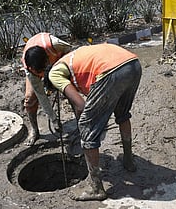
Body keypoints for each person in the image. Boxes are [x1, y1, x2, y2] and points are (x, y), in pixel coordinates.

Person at [24, 42, 142, 201]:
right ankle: (129, 161)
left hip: (111, 71)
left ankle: (96, 189)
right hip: (132, 64)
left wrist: (84, 132)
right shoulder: (68, 59)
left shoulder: (54, 74)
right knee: (122, 115)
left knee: (87, 126)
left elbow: (80, 105)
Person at [21, 32, 72, 145]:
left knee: (70, 91)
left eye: (42, 72)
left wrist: (62, 71)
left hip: (58, 61)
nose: (41, 76)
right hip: (43, 65)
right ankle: (35, 131)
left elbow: (71, 52)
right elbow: (41, 96)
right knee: (29, 100)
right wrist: (54, 119)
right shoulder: (29, 69)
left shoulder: (55, 45)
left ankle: (81, 123)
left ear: (46, 61)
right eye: (38, 74)